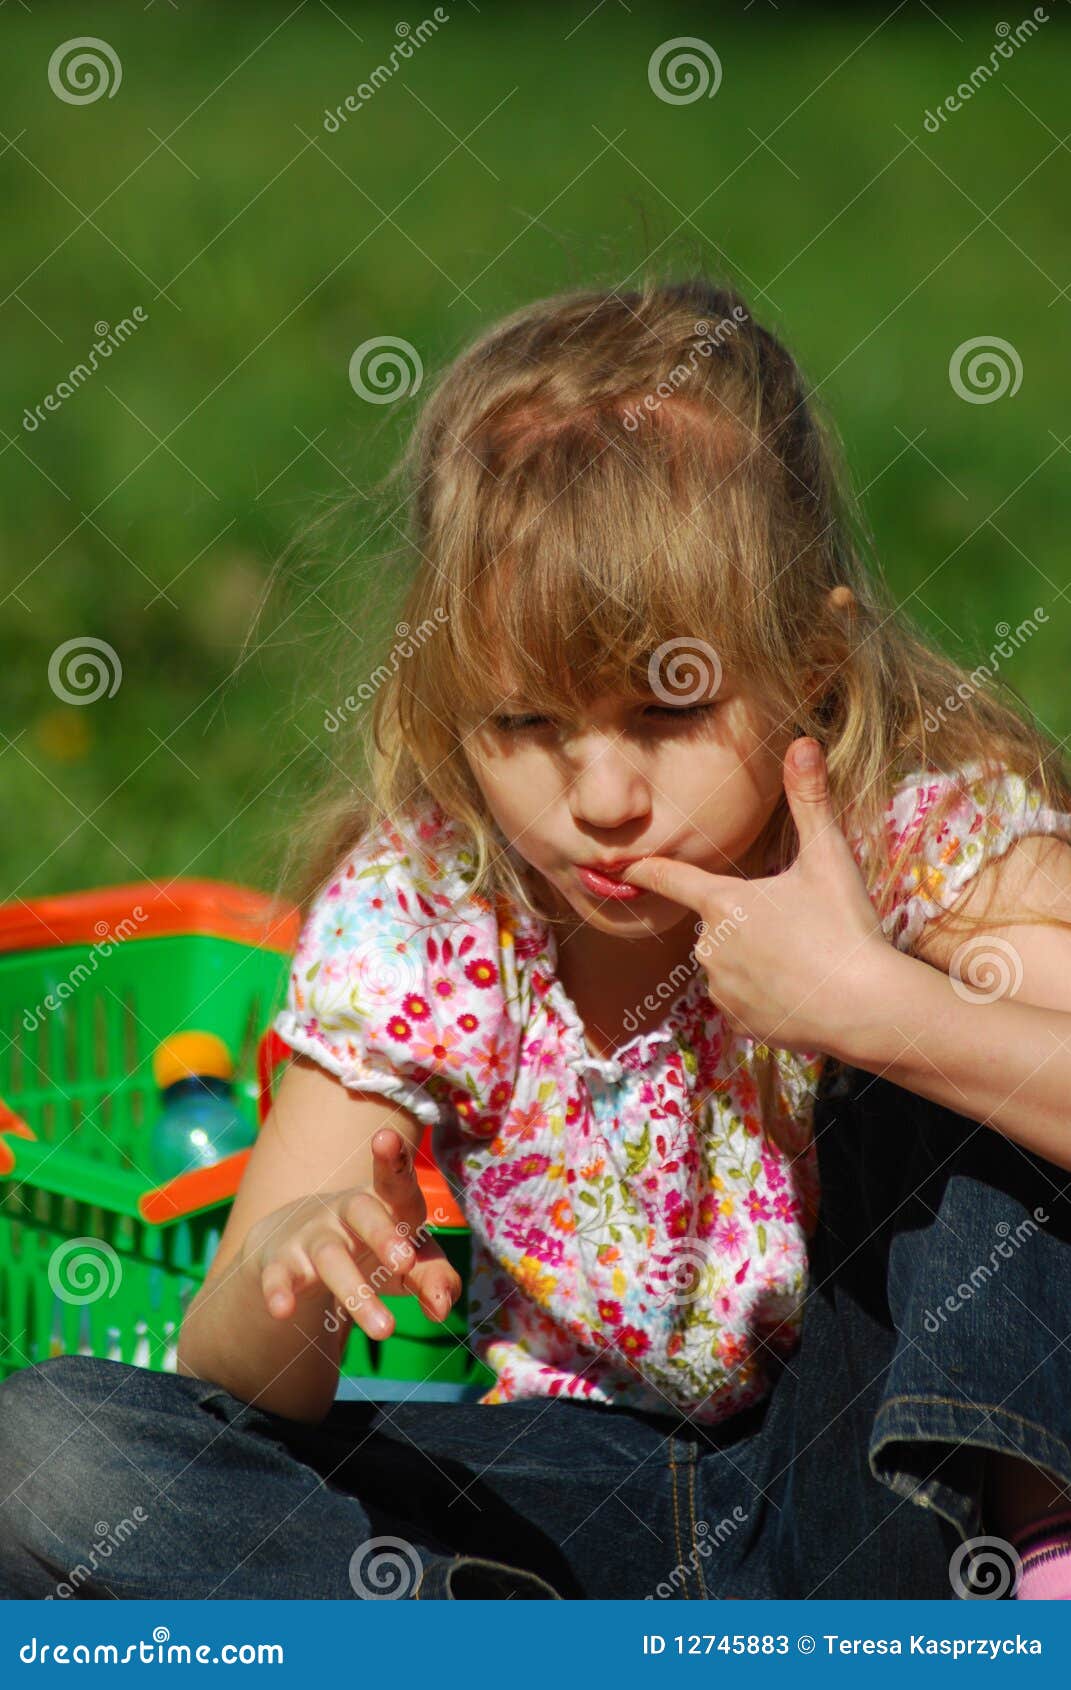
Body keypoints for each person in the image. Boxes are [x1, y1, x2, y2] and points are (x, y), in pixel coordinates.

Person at [3, 276, 1071, 1601]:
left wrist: (879, 1005)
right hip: (581, 1499)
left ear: (810, 665)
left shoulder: (904, 843)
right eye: (525, 724)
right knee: (41, 1452)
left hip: (887, 1491)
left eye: (668, 708)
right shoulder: (440, 909)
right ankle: (468, 1638)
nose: (603, 796)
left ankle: (1030, 1580)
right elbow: (239, 1379)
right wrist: (301, 1270)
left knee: (976, 1087)